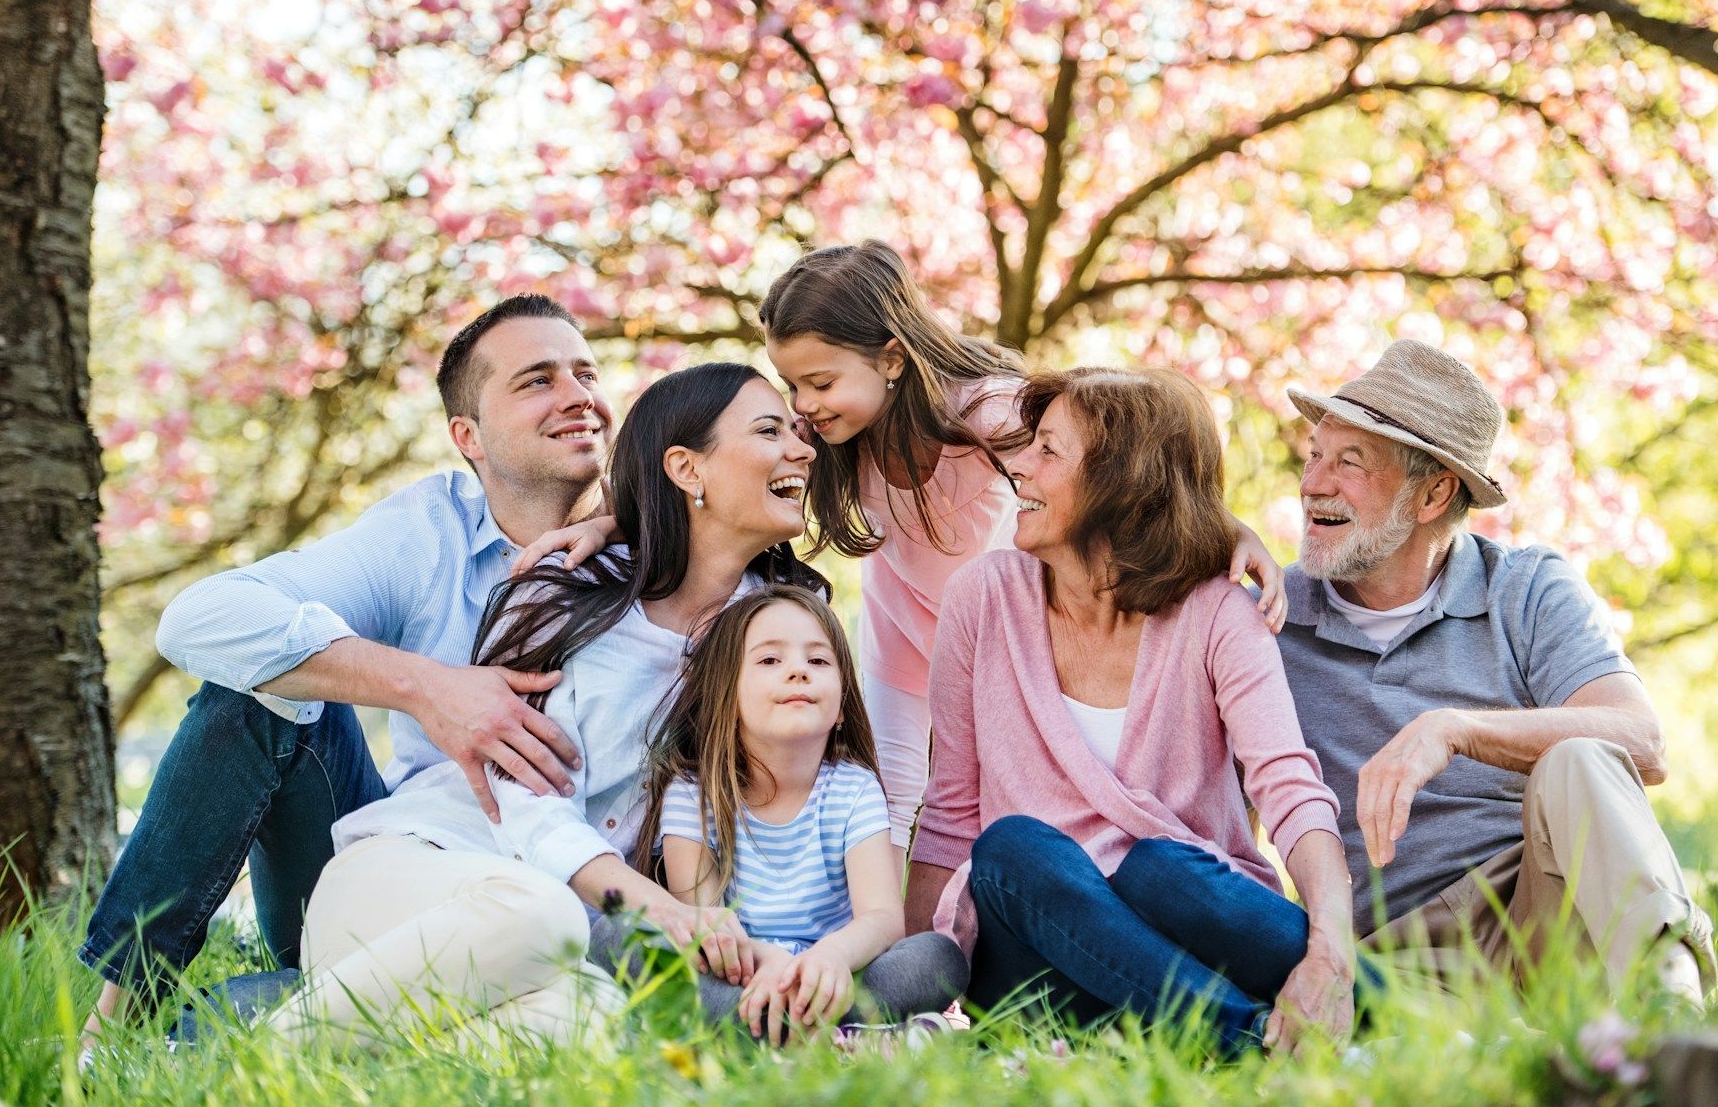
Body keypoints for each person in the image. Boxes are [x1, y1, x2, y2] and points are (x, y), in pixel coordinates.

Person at [525, 240, 1288, 853]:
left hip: (999, 636)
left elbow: (1124, 474)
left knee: (997, 793)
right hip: (905, 630)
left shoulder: (990, 417)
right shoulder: (837, 434)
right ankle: (891, 947)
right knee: (888, 788)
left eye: (819, 381)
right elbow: (713, 476)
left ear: (891, 358)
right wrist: (612, 521)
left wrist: (1225, 527)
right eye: (792, 388)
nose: (804, 407)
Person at [80, 295, 610, 1046]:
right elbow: (199, 617)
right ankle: (112, 1030)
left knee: (568, 1014)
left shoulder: (667, 525)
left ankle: (257, 1021)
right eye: (537, 381)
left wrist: (628, 513)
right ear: (470, 437)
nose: (579, 396)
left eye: (585, 373)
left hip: (569, 889)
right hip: (405, 867)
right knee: (255, 690)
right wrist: (430, 687)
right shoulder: (430, 531)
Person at [266, 362, 826, 1043]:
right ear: (686, 468)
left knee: (598, 1021)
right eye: (772, 431)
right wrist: (660, 909)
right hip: (419, 884)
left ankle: (293, 1042)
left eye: (799, 433)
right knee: (547, 915)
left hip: (549, 950)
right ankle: (266, 1051)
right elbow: (525, 804)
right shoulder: (564, 591)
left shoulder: (787, 628)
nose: (802, 449)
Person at [906, 368, 1360, 1058]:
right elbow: (949, 814)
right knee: (1014, 849)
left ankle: (1357, 1008)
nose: (1018, 466)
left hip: (1184, 933)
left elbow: (1290, 787)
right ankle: (1254, 1042)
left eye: (1048, 451)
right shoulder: (983, 599)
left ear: (1124, 482)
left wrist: (1331, 946)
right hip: (1032, 957)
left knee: (1161, 869)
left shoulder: (1216, 614)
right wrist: (912, 986)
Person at [1276, 339, 1714, 1000]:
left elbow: (1643, 743)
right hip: (1401, 962)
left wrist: (1456, 729)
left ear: (1433, 495)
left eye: (1349, 463)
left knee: (1582, 758)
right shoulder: (1272, 621)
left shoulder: (1528, 589)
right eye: (1315, 456)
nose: (1313, 483)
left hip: (1544, 914)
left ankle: (1672, 1010)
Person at [594, 585, 969, 1044]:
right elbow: (706, 926)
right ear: (727, 697)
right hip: (738, 976)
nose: (797, 671)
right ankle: (841, 1037)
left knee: (936, 956)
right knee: (615, 933)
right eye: (770, 661)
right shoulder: (693, 795)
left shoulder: (854, 789)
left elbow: (883, 918)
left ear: (841, 704)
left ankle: (769, 1035)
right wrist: (770, 964)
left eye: (818, 661)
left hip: (838, 977)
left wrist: (826, 960)